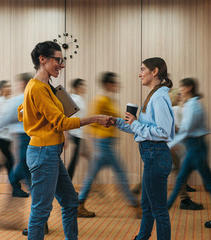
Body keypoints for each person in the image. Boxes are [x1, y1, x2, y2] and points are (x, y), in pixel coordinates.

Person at [19, 41, 109, 240]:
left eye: (62, 60)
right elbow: (60, 122)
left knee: (70, 202)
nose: (61, 64)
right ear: (42, 59)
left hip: (50, 152)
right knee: (41, 210)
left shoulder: (43, 87)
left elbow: (23, 112)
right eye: (58, 60)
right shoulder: (37, 88)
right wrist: (95, 118)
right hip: (43, 153)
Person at [110, 57, 175, 240]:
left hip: (156, 155)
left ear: (154, 72)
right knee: (147, 205)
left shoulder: (159, 97)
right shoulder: (154, 95)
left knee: (159, 210)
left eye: (142, 69)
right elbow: (142, 129)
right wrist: (116, 122)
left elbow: (162, 132)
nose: (139, 74)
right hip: (152, 156)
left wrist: (136, 123)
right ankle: (142, 237)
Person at [166, 78, 211, 228]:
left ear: (189, 87)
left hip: (196, 148)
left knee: (207, 183)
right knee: (181, 181)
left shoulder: (193, 105)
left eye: (181, 86)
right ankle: (162, 211)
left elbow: (187, 130)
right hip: (193, 147)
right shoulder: (190, 105)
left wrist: (169, 145)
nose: (179, 89)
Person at [77, 72, 140, 218]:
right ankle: (135, 206)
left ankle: (79, 205)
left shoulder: (108, 99)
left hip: (106, 144)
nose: (116, 85)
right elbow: (91, 123)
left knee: (91, 176)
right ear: (107, 84)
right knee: (121, 175)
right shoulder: (100, 100)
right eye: (113, 83)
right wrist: (94, 141)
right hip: (103, 144)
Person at [0, 74, 33, 198]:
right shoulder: (13, 101)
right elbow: (0, 119)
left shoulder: (27, 98)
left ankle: (20, 185)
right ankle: (17, 185)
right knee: (19, 161)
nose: (9, 88)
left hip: (20, 135)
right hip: (14, 135)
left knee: (21, 161)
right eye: (6, 86)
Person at [66, 78, 89, 179]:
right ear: (77, 87)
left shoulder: (79, 99)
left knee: (80, 157)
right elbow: (68, 116)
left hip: (79, 133)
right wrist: (66, 135)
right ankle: (67, 184)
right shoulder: (74, 99)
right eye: (82, 85)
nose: (84, 87)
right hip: (75, 133)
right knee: (74, 160)